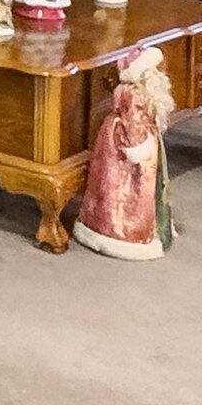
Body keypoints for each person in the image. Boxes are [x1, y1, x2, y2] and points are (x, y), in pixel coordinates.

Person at [70, 44, 175, 258]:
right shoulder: (134, 94)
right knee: (125, 187)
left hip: (125, 137)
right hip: (130, 142)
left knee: (110, 183)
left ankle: (102, 225)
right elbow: (133, 124)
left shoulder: (139, 91)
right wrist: (140, 147)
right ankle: (122, 232)